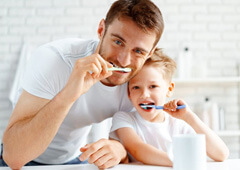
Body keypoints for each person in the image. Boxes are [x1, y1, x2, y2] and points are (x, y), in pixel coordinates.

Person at [1, 0, 164, 169]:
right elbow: (13, 157)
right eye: (118, 42)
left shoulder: (140, 84)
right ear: (101, 30)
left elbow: (146, 144)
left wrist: (119, 149)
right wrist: (69, 94)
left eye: (138, 51)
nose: (123, 61)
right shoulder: (54, 61)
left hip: (76, 160)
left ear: (150, 53)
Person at [110, 48, 229, 166]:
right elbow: (137, 149)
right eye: (136, 87)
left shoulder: (178, 125)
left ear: (169, 89)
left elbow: (221, 154)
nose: (144, 94)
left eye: (153, 86)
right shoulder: (124, 119)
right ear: (129, 93)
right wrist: (181, 162)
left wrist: (189, 117)